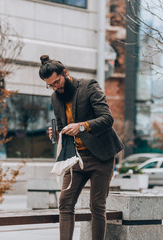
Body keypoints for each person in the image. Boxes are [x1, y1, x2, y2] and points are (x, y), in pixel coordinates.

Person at [39, 55, 124, 240]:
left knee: (97, 206)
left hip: (101, 156)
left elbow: (107, 119)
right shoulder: (55, 98)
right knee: (65, 203)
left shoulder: (89, 86)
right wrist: (56, 134)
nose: (56, 87)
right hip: (74, 158)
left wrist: (82, 125)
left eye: (57, 82)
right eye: (51, 85)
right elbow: (63, 127)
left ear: (65, 73)